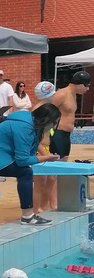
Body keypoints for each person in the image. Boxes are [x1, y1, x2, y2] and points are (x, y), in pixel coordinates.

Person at [0, 102, 61, 230]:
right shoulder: (24, 127)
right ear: (46, 120)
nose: (54, 126)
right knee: (25, 172)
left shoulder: (32, 124)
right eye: (54, 122)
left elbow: (30, 152)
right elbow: (22, 160)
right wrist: (46, 158)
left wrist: (44, 138)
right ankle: (27, 216)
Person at [35, 72, 90, 210]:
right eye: (86, 86)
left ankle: (54, 203)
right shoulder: (62, 94)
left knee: (59, 172)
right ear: (79, 84)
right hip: (56, 134)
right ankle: (46, 204)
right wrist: (45, 135)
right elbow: (45, 112)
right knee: (53, 173)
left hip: (65, 136)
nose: (87, 89)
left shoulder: (73, 96)